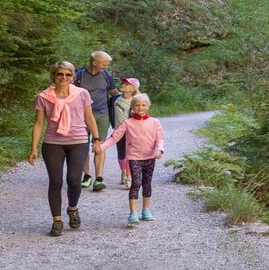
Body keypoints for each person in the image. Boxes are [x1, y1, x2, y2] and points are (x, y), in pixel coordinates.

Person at [29, 61, 100, 236]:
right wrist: (34, 148)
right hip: (53, 143)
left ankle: (72, 208)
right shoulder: (44, 97)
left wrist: (96, 139)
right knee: (55, 182)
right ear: (53, 76)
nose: (64, 78)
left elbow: (89, 118)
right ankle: (57, 221)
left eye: (68, 75)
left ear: (73, 77)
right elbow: (39, 124)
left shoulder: (82, 94)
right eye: (60, 74)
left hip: (78, 141)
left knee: (74, 181)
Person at [98, 93, 166, 225]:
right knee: (136, 183)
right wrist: (101, 148)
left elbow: (160, 139)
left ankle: (146, 210)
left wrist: (159, 150)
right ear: (132, 107)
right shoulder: (127, 123)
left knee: (147, 183)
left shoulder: (155, 122)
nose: (140, 107)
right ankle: (133, 212)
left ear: (148, 106)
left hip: (150, 157)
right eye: (137, 105)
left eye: (143, 105)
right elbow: (114, 137)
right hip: (134, 157)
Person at [74, 51, 120, 190]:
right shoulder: (79, 75)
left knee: (100, 144)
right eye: (104, 64)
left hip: (102, 115)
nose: (106, 66)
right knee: (82, 145)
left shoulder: (107, 75)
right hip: (81, 115)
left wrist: (132, 100)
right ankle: (87, 176)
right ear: (94, 63)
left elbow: (114, 93)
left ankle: (99, 178)